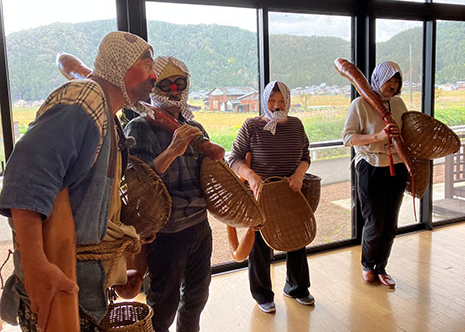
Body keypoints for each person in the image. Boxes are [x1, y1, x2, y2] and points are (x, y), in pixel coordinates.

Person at [0, 31, 156, 332]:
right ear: (118, 65)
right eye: (146, 64)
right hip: (57, 285)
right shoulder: (86, 97)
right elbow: (28, 174)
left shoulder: (107, 113)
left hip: (81, 290)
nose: (153, 75)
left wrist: (114, 272)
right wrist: (35, 265)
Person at [124, 56, 212, 332]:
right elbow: (138, 184)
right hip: (166, 230)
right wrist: (173, 149)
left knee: (197, 298)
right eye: (166, 84)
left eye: (179, 83)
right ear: (154, 87)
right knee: (163, 304)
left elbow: (210, 176)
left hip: (199, 224)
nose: (174, 90)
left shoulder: (195, 128)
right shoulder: (138, 126)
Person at [228, 80, 314, 314]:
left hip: (290, 192)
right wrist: (252, 176)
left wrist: (298, 174)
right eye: (272, 101)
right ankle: (262, 294)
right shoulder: (252, 126)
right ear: (264, 101)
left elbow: (306, 155)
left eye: (282, 102)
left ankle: (297, 287)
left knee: (297, 240)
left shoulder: (296, 125)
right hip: (260, 195)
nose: (277, 106)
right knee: (259, 245)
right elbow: (234, 158)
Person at [342, 61, 408, 289]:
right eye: (388, 79)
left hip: (397, 166)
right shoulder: (360, 104)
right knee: (375, 221)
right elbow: (348, 138)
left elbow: (407, 131)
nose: (392, 85)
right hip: (370, 165)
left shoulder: (398, 103)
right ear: (377, 79)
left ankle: (381, 267)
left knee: (391, 223)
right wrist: (378, 136)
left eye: (396, 80)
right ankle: (368, 265)